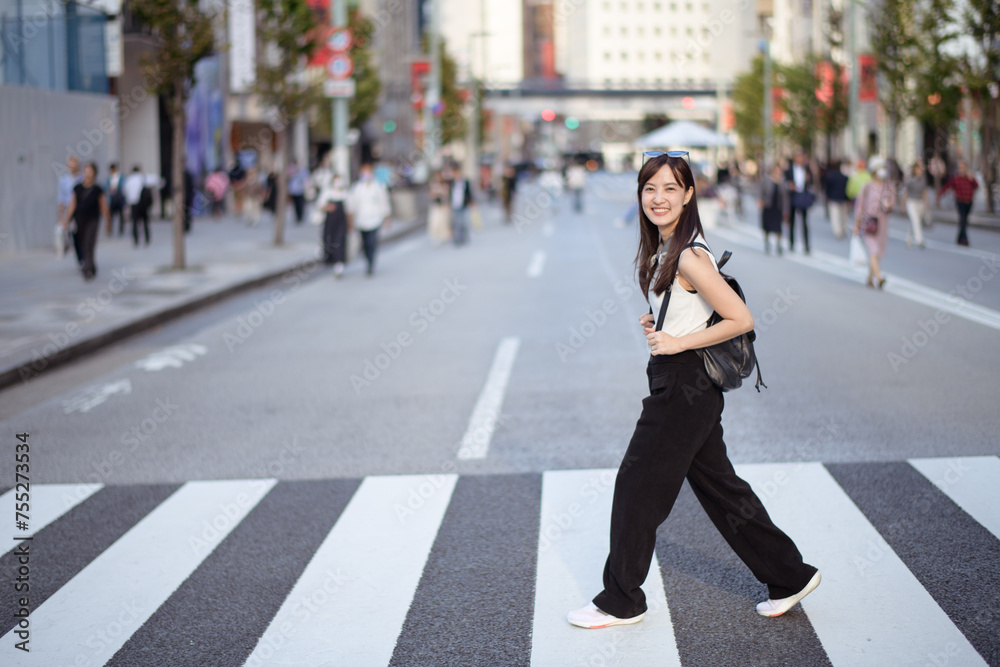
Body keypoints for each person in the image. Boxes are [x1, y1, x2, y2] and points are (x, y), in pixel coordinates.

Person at [567, 152, 820, 630]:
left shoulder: (689, 254)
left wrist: (678, 340)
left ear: (688, 195)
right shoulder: (668, 247)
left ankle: (621, 600)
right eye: (649, 189)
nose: (658, 198)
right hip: (682, 381)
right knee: (722, 490)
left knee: (636, 487)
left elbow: (740, 319)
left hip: (685, 384)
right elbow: (693, 308)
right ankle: (789, 576)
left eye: (669, 189)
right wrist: (659, 319)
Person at [60, 162, 110, 281]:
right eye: (86, 170)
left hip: (93, 219)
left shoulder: (98, 189)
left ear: (94, 173)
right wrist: (66, 220)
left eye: (90, 171)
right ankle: (90, 265)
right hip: (79, 219)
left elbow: (104, 206)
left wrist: (108, 221)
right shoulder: (77, 187)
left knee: (89, 242)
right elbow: (72, 205)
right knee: (81, 243)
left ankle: (87, 269)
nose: (88, 173)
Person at [853, 156, 897, 289]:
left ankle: (869, 278)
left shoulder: (889, 186)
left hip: (882, 222)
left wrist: (889, 205)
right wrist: (857, 224)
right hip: (869, 221)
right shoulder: (866, 186)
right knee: (873, 250)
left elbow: (893, 202)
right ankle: (879, 277)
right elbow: (859, 206)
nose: (882, 171)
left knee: (878, 251)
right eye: (879, 168)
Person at [347, 163, 392, 275]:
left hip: (375, 219)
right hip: (361, 220)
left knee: (372, 242)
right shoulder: (357, 187)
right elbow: (352, 205)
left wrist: (387, 218)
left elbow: (384, 202)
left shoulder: (377, 187)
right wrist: (350, 221)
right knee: (365, 243)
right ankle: (367, 258)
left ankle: (371, 264)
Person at [937, 160, 978, 247]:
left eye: (963, 168)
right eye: (960, 168)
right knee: (963, 219)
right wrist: (940, 193)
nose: (962, 170)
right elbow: (947, 186)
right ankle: (964, 239)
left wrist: (972, 179)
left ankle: (959, 238)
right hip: (960, 201)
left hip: (969, 202)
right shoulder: (956, 178)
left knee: (964, 220)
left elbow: (976, 186)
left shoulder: (970, 177)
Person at [317, 171, 349, 276]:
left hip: (341, 222)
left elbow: (350, 210)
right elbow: (320, 205)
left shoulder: (345, 193)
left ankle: (339, 263)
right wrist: (328, 207)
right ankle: (331, 261)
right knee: (329, 241)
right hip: (330, 222)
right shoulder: (328, 192)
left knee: (339, 242)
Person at [784, 152, 815, 254]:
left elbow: (812, 182)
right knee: (792, 222)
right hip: (793, 196)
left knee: (804, 222)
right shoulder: (789, 170)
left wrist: (809, 179)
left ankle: (806, 245)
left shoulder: (806, 169)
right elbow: (784, 181)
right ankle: (791, 243)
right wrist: (790, 186)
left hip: (803, 197)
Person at [58, 155, 84, 265]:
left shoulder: (83, 179)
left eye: (74, 165)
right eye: (70, 165)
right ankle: (80, 258)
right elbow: (61, 199)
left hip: (82, 210)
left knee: (84, 234)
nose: (72, 167)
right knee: (74, 235)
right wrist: (60, 216)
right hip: (70, 212)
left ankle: (85, 256)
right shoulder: (64, 181)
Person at [759, 163, 788, 255]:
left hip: (778, 207)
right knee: (767, 227)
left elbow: (785, 197)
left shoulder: (783, 182)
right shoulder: (767, 180)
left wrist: (786, 210)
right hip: (768, 206)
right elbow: (761, 191)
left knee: (778, 228)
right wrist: (760, 200)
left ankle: (779, 245)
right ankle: (767, 243)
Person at [902, 161, 929, 249]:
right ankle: (920, 240)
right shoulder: (910, 179)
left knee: (914, 222)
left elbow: (924, 192)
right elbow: (905, 192)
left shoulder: (922, 179)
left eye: (920, 169)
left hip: (920, 202)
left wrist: (927, 204)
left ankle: (909, 239)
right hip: (911, 202)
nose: (919, 170)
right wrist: (902, 205)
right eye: (918, 168)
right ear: (914, 169)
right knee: (915, 220)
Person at [124, 165, 151, 246]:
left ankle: (136, 239)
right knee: (145, 222)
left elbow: (125, 191)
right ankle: (147, 239)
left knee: (134, 222)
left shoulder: (129, 180)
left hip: (133, 203)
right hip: (142, 203)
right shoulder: (142, 178)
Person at [823, 160, 850, 239]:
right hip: (843, 198)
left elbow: (827, 188)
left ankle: (838, 231)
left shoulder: (830, 177)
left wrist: (827, 196)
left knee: (835, 216)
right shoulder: (845, 177)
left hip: (833, 198)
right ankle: (843, 229)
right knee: (843, 215)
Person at [449, 169, 474, 246]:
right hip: (455, 205)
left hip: (463, 205)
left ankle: (464, 237)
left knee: (463, 222)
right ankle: (457, 238)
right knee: (457, 223)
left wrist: (470, 201)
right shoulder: (452, 183)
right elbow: (450, 194)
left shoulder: (465, 182)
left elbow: (469, 192)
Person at [427, 170, 452, 244]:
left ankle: (444, 236)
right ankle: (436, 236)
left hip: (444, 206)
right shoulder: (433, 184)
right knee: (435, 221)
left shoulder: (445, 184)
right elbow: (430, 195)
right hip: (436, 206)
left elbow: (447, 195)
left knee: (444, 222)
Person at [106, 162, 126, 237]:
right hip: (112, 199)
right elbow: (106, 187)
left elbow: (123, 186)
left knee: (121, 216)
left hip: (119, 198)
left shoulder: (121, 177)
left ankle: (121, 230)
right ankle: (110, 230)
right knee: (111, 216)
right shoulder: (109, 178)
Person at [288, 159, 309, 225]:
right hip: (294, 191)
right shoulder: (292, 170)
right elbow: (289, 177)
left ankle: (300, 216)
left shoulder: (302, 170)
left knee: (301, 204)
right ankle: (297, 216)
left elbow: (305, 178)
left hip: (300, 190)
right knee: (295, 205)